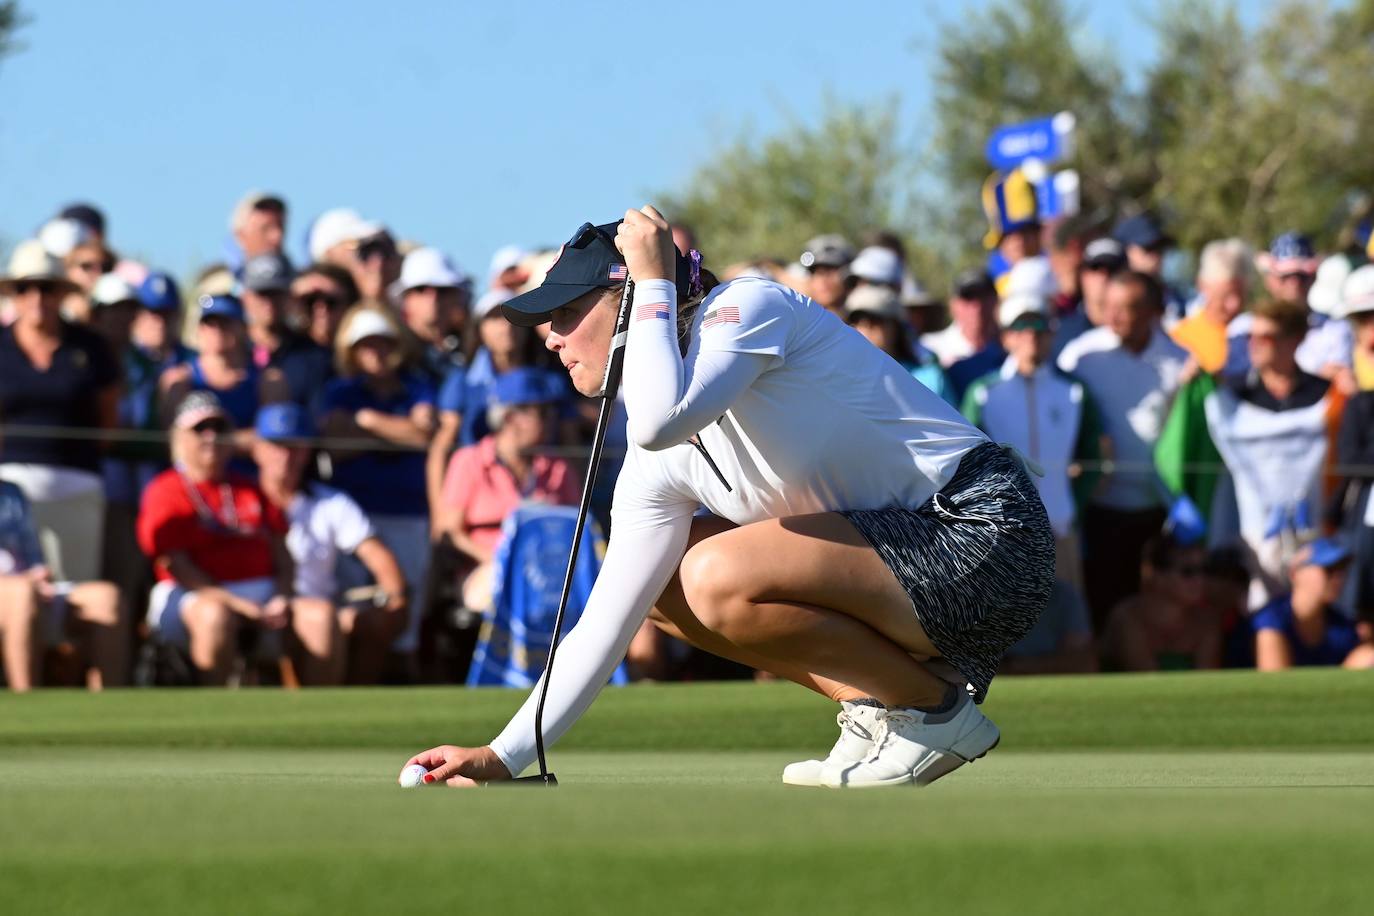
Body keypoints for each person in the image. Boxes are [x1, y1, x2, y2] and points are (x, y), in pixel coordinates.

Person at [403, 207, 1054, 789]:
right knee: (659, 590)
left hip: (985, 532)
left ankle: (931, 713)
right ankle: (892, 709)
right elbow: (607, 619)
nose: (550, 336)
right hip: (907, 567)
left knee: (713, 573)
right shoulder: (652, 466)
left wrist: (653, 279)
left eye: (568, 315)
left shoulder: (747, 308)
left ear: (627, 301)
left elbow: (661, 417)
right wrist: (506, 754)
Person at [136, 393, 298, 685]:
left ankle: (320, 716)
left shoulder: (250, 488)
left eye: (219, 428)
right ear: (180, 438)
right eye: (200, 429)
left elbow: (283, 557)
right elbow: (177, 566)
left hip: (262, 593)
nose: (210, 437)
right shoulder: (164, 489)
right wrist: (238, 605)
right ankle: (215, 710)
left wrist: (282, 596)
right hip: (194, 594)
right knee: (216, 616)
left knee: (319, 616)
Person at [1059, 271, 1189, 626]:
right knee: (1105, 608)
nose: (1113, 316)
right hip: (1100, 509)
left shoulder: (1179, 361)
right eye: (1109, 306)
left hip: (1158, 512)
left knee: (1154, 615)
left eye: (1126, 308)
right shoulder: (1081, 355)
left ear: (1151, 312)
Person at [251, 403, 407, 685]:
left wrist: (396, 598)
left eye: (294, 446)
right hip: (254, 607)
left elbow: (373, 551)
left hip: (314, 604)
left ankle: (346, 710)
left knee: (341, 617)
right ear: (257, 449)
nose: (285, 456)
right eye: (276, 445)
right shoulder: (238, 498)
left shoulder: (329, 502)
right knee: (321, 618)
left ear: (308, 450)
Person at [962, 291, 1101, 595]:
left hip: (1060, 530)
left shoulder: (1073, 392)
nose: (1031, 337)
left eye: (1039, 328)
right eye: (1020, 329)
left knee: (1068, 629)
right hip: (1003, 533)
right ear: (1006, 337)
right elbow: (966, 461)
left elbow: (1096, 457)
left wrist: (1070, 505)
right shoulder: (984, 392)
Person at [318, 306, 435, 659]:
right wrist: (399, 432)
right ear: (353, 352)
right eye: (367, 346)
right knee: (357, 605)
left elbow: (425, 435)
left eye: (383, 344)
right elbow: (335, 445)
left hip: (409, 513)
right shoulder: (340, 391)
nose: (376, 353)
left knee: (405, 607)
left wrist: (367, 422)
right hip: (358, 517)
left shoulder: (416, 387)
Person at [0, 240, 120, 585]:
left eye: (47, 288)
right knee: (16, 593)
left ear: (61, 293)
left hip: (78, 484)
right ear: (15, 295)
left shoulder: (91, 347)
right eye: (26, 288)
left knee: (76, 594)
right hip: (8, 488)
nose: (37, 297)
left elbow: (108, 418)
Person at [435, 368, 581, 612]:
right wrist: (500, 561)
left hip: (548, 573)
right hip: (485, 570)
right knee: (506, 587)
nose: (551, 420)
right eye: (542, 412)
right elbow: (449, 533)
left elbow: (576, 530)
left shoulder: (559, 467)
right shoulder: (469, 461)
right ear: (511, 417)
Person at [0, 477, 127, 691]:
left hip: (33, 589)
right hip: (17, 592)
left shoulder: (12, 492)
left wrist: (39, 574)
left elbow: (33, 557)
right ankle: (27, 705)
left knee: (105, 598)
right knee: (22, 594)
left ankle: (107, 709)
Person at [160, 294, 285, 444]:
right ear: (200, 329)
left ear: (243, 327)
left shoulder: (269, 380)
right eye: (209, 323)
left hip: (247, 467)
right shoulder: (179, 379)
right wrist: (243, 440)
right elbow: (173, 440)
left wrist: (211, 442)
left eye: (225, 322)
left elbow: (274, 438)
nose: (217, 330)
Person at [1101, 534, 1221, 671]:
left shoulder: (1207, 621)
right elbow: (1146, 679)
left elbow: (1204, 679)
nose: (1200, 580)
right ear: (1155, 574)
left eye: (1205, 569)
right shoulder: (1126, 618)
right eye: (1188, 571)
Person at [1253, 539, 1371, 670]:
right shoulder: (1271, 618)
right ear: (1294, 574)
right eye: (1329, 569)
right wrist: (1349, 668)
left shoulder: (1342, 626)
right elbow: (1274, 685)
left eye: (1341, 570)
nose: (1339, 577)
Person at [239, 253, 333, 407]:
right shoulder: (235, 353)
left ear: (290, 296)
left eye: (276, 293)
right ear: (245, 299)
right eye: (261, 294)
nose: (269, 302)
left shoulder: (313, 356)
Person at [844, 285, 953, 404]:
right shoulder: (841, 379)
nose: (866, 327)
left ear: (896, 327)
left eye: (874, 320)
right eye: (857, 321)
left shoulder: (929, 379)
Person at [1170, 239, 1251, 375]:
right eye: (1225, 296)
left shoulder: (1258, 334)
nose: (1235, 304)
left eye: (1241, 295)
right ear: (1202, 286)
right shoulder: (1180, 340)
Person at [391, 247, 471, 384]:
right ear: (405, 299)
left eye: (442, 290)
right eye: (421, 289)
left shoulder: (471, 354)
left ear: (458, 297)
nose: (433, 298)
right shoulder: (392, 354)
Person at [920, 268, 1001, 370]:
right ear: (952, 305)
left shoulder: (1013, 349)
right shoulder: (930, 348)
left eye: (983, 296)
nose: (976, 306)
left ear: (996, 300)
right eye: (968, 297)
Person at [289, 263, 359, 351]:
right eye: (310, 300)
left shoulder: (360, 353)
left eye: (331, 302)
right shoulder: (285, 351)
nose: (321, 310)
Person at [798, 234, 854, 316]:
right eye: (816, 272)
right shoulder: (800, 323)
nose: (823, 280)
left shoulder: (864, 322)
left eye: (830, 270)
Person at [229, 192, 287, 267]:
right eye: (265, 229)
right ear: (241, 236)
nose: (277, 236)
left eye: (280, 227)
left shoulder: (300, 276)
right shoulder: (224, 277)